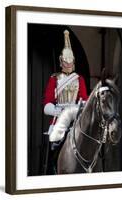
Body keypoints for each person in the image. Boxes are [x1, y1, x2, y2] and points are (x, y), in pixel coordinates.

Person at [43, 30, 88, 173]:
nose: (68, 64)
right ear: (61, 61)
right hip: (59, 117)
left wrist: (79, 108)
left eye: (70, 62)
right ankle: (53, 168)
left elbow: (85, 99)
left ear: (73, 62)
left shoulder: (79, 79)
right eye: (65, 61)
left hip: (75, 115)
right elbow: (47, 104)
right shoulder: (54, 79)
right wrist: (59, 111)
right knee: (55, 143)